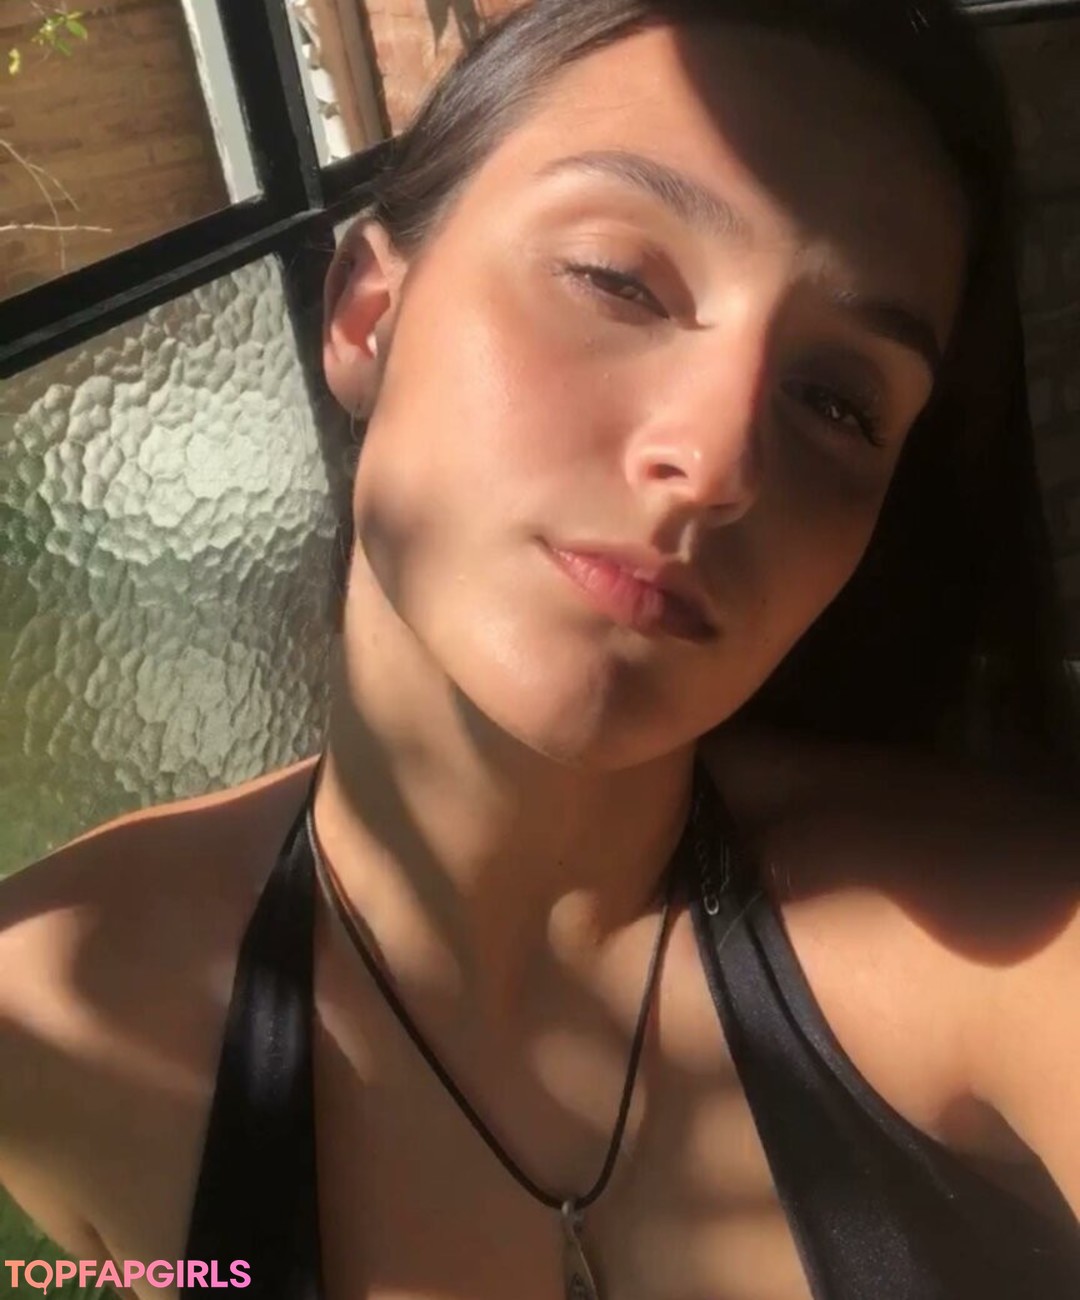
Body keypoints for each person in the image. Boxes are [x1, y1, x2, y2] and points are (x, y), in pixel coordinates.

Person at [1, 0, 1078, 1297]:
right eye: (618, 279)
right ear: (367, 316)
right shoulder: (57, 1015)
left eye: (838, 401)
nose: (717, 462)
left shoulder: (1011, 952)